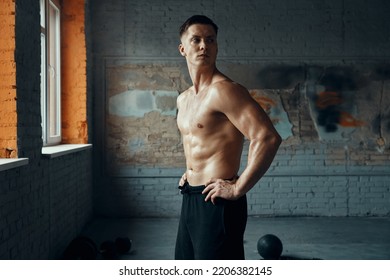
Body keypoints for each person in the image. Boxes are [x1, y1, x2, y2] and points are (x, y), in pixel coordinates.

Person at [175, 15, 282, 260]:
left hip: (218, 202)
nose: (204, 46)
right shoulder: (184, 98)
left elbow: (267, 138)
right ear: (183, 49)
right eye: (196, 40)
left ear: (216, 46)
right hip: (190, 196)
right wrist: (191, 170)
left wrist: (237, 189)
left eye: (210, 40)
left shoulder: (225, 91)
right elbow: (196, 139)